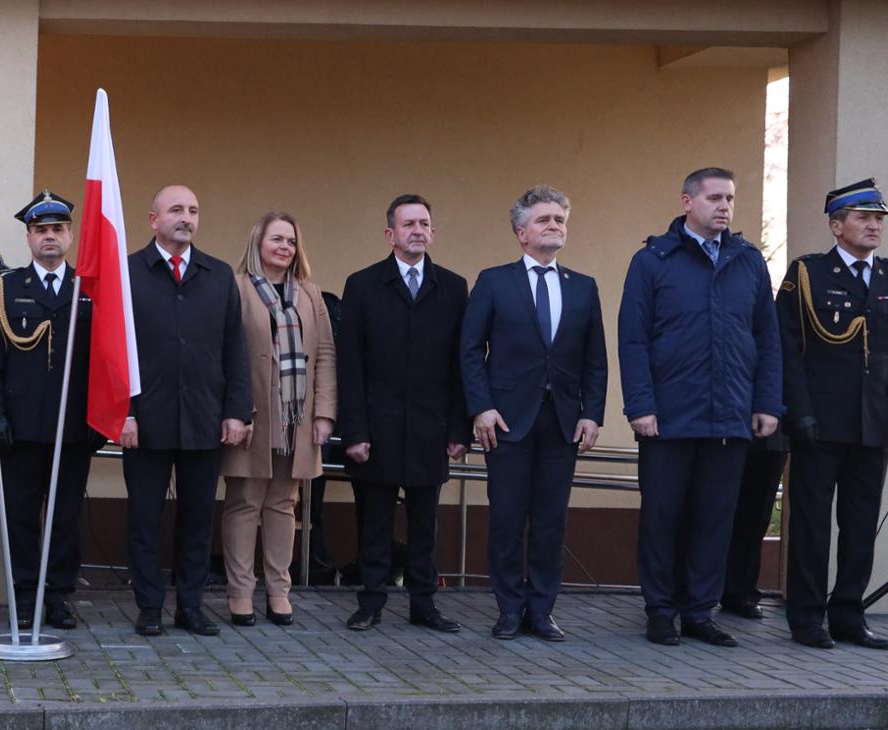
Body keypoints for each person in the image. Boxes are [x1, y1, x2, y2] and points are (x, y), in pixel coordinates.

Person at [619, 166, 782, 648]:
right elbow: (633, 340)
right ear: (687, 202)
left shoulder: (748, 261)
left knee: (715, 518)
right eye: (714, 197)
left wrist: (767, 402)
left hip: (730, 416)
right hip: (667, 418)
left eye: (730, 198)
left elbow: (767, 339)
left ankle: (699, 611)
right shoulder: (653, 260)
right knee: (663, 516)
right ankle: (660, 609)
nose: (725, 206)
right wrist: (640, 406)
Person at [777, 178, 888, 650]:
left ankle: (848, 614)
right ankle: (806, 617)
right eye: (864, 218)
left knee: (860, 526)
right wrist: (798, 412)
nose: (875, 226)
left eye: (879, 219)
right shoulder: (807, 273)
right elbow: (789, 350)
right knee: (813, 524)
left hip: (873, 424)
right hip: (818, 422)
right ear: (837, 226)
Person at [460, 185, 608, 641]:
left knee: (550, 520)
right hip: (507, 420)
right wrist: (481, 408)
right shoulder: (494, 281)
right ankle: (508, 608)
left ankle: (541, 610)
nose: (554, 226)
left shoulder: (582, 287)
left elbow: (595, 359)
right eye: (544, 220)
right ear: (522, 233)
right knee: (506, 518)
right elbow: (469, 349)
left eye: (560, 220)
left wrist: (592, 413)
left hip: (561, 421)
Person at [120, 185, 252, 637]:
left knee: (197, 519)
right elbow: (112, 352)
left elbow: (235, 348)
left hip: (203, 417)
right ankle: (150, 606)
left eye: (193, 210)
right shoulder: (128, 273)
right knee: (144, 518)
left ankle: (191, 606)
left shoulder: (217, 275)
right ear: (153, 219)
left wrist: (237, 412)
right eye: (176, 209)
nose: (186, 217)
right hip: (146, 419)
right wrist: (125, 412)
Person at [337, 193, 470, 634]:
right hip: (376, 427)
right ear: (390, 234)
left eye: (424, 223)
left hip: (431, 429)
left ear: (432, 231)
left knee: (424, 525)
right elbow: (349, 364)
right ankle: (370, 602)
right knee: (373, 522)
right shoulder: (363, 284)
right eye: (408, 223)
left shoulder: (452, 287)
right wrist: (353, 430)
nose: (418, 230)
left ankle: (423, 604)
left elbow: (459, 365)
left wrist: (458, 427)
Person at [0, 191, 102, 631]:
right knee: (20, 515)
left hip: (73, 427)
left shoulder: (91, 287)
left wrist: (99, 421)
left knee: (65, 515)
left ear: (70, 235)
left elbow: (105, 362)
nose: (49, 237)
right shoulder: (4, 288)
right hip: (21, 427)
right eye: (41, 231)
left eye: (57, 229)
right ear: (29, 238)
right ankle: (22, 593)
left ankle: (57, 595)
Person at [218, 212, 334, 628]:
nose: (284, 248)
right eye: (276, 240)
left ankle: (279, 591)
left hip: (296, 419)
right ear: (258, 243)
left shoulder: (310, 294)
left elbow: (324, 356)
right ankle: (240, 592)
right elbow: (227, 354)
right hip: (253, 417)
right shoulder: (237, 289)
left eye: (290, 241)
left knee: (284, 504)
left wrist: (324, 413)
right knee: (245, 503)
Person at [722, 432, 790, 622]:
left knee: (756, 516)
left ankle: (740, 591)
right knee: (708, 514)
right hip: (721, 431)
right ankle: (692, 592)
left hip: (770, 438)